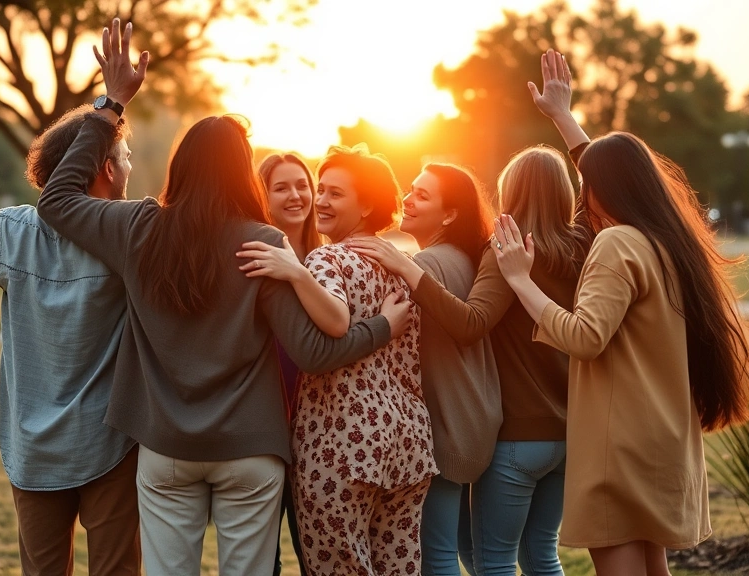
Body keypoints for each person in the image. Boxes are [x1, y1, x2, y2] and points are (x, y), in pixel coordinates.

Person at [35, 19, 413, 576]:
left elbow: (57, 199)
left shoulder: (139, 227)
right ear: (246, 173)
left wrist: (111, 104)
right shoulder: (262, 244)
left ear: (179, 165)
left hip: (164, 449)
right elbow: (313, 351)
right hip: (250, 450)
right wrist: (381, 326)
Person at [493, 49, 749, 576]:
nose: (582, 195)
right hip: (658, 436)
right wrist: (564, 118)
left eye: (589, 186)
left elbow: (585, 336)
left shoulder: (616, 244)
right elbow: (610, 172)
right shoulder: (668, 242)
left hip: (619, 443)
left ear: (602, 190)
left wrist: (519, 279)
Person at [351, 147, 587, 575]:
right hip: (568, 433)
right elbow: (601, 182)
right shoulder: (581, 248)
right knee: (541, 555)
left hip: (518, 435)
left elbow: (471, 323)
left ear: (511, 192)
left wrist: (408, 269)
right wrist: (564, 121)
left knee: (491, 563)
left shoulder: (508, 254)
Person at [0, 107, 141, 575]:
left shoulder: (11, 230)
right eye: (125, 157)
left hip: (32, 449)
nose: (130, 166)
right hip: (110, 445)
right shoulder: (125, 231)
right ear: (105, 168)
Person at [237, 143, 438, 576]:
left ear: (366, 204)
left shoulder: (325, 258)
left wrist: (296, 271)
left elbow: (334, 322)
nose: (320, 201)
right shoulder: (402, 264)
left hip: (342, 447)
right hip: (408, 443)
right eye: (321, 190)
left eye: (335, 193)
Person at [348, 163, 500, 575]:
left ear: (450, 214)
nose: (409, 199)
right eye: (411, 189)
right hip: (474, 419)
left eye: (423, 195)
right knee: (467, 554)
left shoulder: (425, 266)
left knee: (435, 558)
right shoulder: (466, 259)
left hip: (443, 427)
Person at [257, 152, 321, 576]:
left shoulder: (327, 258)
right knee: (263, 562)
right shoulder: (254, 254)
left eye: (302, 184)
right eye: (281, 187)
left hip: (318, 431)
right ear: (262, 196)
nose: (296, 195)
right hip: (263, 426)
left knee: (316, 553)